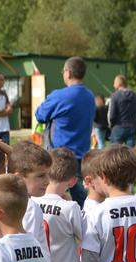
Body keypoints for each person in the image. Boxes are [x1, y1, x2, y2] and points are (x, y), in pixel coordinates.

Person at [34, 56, 95, 207]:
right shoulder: (90, 95)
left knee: (53, 199)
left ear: (68, 73)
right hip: (81, 154)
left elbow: (40, 115)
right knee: (80, 199)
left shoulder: (59, 95)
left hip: (59, 156)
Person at [108, 75, 136, 147]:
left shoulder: (115, 96)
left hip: (118, 127)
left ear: (119, 83)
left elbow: (112, 116)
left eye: (114, 82)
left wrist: (112, 125)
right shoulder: (134, 95)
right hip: (131, 128)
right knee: (130, 152)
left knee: (115, 152)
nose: (113, 84)